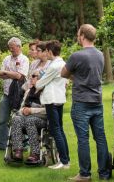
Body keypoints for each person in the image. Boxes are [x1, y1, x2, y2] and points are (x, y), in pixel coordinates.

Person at [61, 24, 111, 181]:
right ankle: (104, 174)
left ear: (82, 36)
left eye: (78, 34)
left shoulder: (77, 56)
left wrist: (75, 77)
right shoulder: (101, 55)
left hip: (82, 102)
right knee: (100, 138)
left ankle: (84, 174)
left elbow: (63, 73)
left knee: (83, 139)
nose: (77, 37)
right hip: (97, 101)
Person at [35, 40, 70, 169]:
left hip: (51, 100)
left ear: (50, 52)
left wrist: (38, 81)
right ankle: (66, 159)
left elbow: (39, 84)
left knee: (56, 131)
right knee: (59, 129)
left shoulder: (54, 66)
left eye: (46, 51)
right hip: (59, 99)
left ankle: (64, 161)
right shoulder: (63, 63)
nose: (45, 53)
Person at [0, 37, 30, 150]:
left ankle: (23, 145)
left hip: (19, 94)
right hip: (6, 94)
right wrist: (12, 73)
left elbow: (20, 76)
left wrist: (6, 72)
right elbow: (0, 74)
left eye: (13, 48)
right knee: (2, 120)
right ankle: (2, 145)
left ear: (19, 47)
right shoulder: (6, 59)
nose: (11, 50)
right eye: (10, 48)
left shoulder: (24, 59)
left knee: (20, 119)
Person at [11, 71, 47, 163]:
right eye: (31, 76)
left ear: (41, 78)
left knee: (30, 120)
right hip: (26, 117)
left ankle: (35, 153)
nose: (31, 78)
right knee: (16, 119)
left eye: (34, 76)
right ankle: (18, 150)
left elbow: (47, 110)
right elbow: (21, 107)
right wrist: (22, 110)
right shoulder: (28, 91)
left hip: (41, 119)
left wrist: (31, 110)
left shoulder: (46, 92)